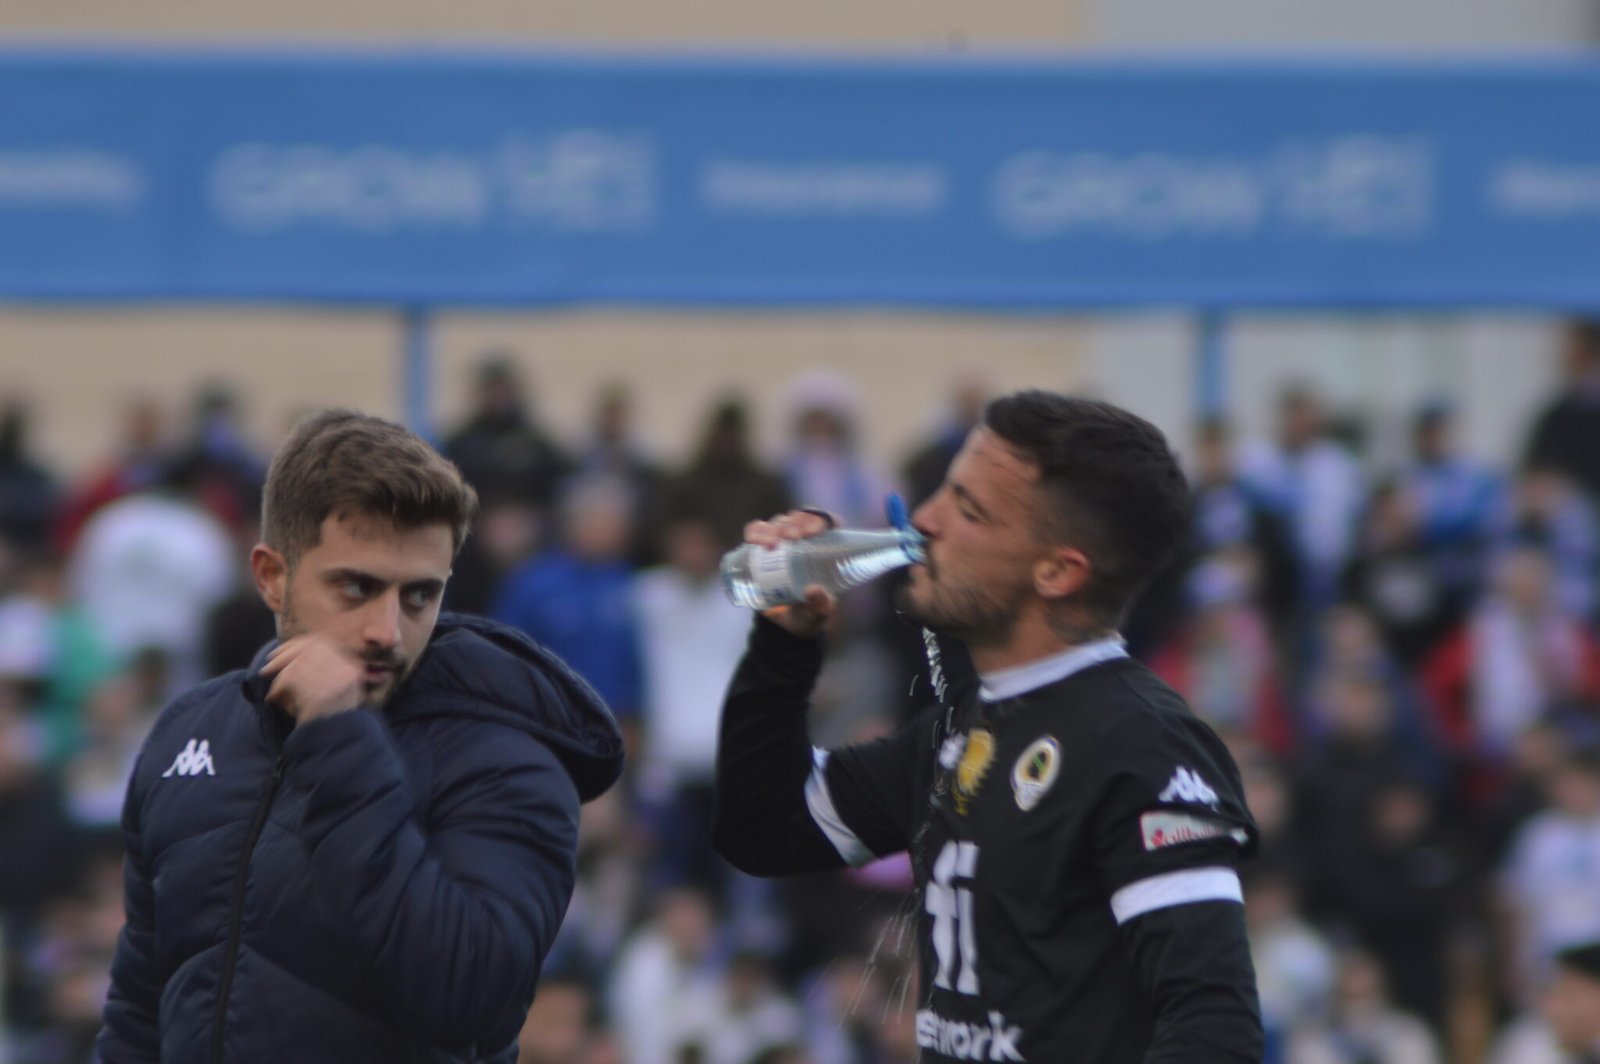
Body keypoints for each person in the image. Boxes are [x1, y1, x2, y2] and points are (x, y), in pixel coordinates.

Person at [713, 390, 1264, 1062]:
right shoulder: (967, 723)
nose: (923, 519)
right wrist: (785, 646)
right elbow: (764, 829)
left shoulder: (1141, 745)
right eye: (945, 490)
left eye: (968, 509)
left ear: (1058, 570)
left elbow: (1213, 1024)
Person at [97, 410, 624, 1063]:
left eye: (418, 597)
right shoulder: (190, 734)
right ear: (272, 576)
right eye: (357, 587)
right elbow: (140, 1010)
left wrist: (339, 737)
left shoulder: (508, 761)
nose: (387, 630)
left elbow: (472, 1000)